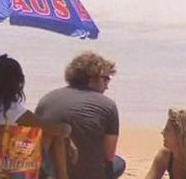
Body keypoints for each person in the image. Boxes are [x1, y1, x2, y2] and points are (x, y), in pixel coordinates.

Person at [0, 54, 71, 179]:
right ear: (18, 82)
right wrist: (67, 130)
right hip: (3, 175)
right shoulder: (12, 110)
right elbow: (57, 130)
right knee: (53, 135)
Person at [35, 51, 125, 179]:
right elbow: (108, 155)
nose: (107, 86)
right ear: (91, 78)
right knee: (118, 162)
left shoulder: (47, 99)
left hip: (48, 172)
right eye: (105, 79)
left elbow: (36, 140)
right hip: (88, 175)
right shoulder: (108, 105)